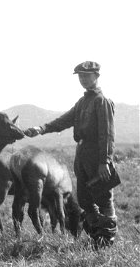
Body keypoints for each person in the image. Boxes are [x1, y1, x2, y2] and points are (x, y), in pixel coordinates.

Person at [25, 61, 118, 248]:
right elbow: (65, 120)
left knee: (103, 197)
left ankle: (107, 241)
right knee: (85, 198)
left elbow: (107, 134)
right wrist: (41, 128)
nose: (83, 79)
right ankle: (96, 237)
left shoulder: (102, 101)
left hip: (96, 155)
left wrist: (104, 161)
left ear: (96, 76)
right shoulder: (83, 102)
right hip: (82, 154)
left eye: (87, 76)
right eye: (81, 76)